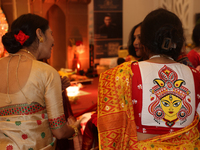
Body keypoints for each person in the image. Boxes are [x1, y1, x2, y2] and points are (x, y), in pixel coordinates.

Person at [97, 8, 200, 149]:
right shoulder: (196, 76)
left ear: (144, 41)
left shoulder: (123, 75)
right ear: (178, 40)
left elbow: (112, 130)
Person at [0, 13, 82, 149]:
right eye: (51, 33)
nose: (53, 41)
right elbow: (60, 131)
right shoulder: (46, 72)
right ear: (39, 34)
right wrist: (74, 128)